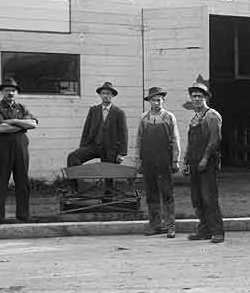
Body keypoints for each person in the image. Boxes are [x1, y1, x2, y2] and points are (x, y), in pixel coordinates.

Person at [0, 76, 38, 226]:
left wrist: (13, 121)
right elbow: (1, 128)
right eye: (7, 90)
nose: (10, 93)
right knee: (1, 182)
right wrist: (22, 125)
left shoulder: (21, 108)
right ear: (2, 92)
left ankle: (23, 215)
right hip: (3, 148)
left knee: (22, 182)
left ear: (17, 93)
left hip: (21, 148)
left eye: (13, 90)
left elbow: (33, 124)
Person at [184, 75, 224, 243]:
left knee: (209, 197)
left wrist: (205, 159)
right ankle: (204, 229)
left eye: (200, 96)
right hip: (194, 162)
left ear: (205, 98)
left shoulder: (211, 116)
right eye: (194, 96)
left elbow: (215, 140)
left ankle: (217, 231)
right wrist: (186, 161)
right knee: (197, 198)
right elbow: (190, 143)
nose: (197, 99)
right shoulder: (194, 118)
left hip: (207, 163)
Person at [136, 85, 180, 238]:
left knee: (167, 193)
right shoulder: (144, 118)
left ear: (163, 100)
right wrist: (138, 159)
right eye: (153, 100)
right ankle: (155, 224)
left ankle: (170, 226)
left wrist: (176, 159)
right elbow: (139, 139)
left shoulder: (169, 117)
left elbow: (175, 139)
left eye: (159, 100)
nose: (156, 103)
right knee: (151, 192)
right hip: (148, 160)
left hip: (164, 159)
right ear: (149, 101)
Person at [67, 81, 128, 167]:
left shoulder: (119, 112)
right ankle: (77, 179)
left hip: (110, 148)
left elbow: (123, 134)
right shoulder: (93, 110)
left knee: (108, 174)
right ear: (100, 95)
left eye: (108, 94)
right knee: (73, 157)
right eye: (103, 93)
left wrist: (122, 153)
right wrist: (83, 146)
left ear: (112, 95)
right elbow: (86, 129)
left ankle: (107, 180)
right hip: (94, 146)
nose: (105, 96)